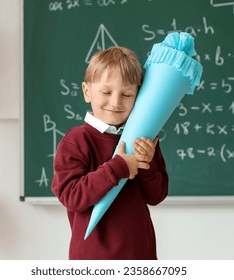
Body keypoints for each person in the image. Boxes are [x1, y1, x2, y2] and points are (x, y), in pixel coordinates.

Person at [52, 46, 168, 260]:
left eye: (126, 94)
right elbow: (72, 197)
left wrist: (148, 164)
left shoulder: (144, 138)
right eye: (106, 92)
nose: (115, 102)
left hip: (141, 256)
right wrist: (119, 167)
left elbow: (156, 195)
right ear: (87, 92)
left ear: (138, 97)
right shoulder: (76, 141)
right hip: (93, 258)